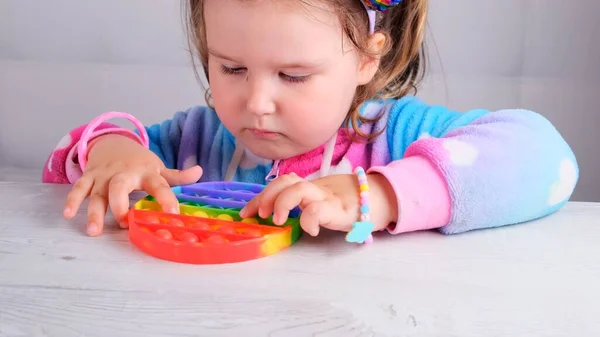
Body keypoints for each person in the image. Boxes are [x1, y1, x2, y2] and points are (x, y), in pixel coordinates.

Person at [42, 0, 578, 241]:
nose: (255, 102)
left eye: (293, 76)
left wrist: (380, 196)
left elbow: (546, 158)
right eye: (231, 67)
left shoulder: (394, 134)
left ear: (367, 58)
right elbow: (82, 148)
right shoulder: (195, 141)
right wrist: (113, 152)